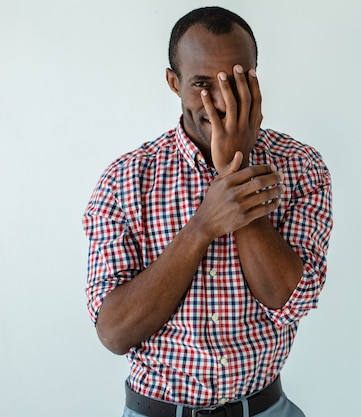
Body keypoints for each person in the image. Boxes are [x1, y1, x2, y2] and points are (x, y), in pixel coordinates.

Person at [82, 6, 333, 417]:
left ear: (254, 77)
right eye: (201, 84)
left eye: (234, 80)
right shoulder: (125, 179)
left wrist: (236, 165)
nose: (218, 101)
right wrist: (202, 226)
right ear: (173, 82)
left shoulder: (301, 165)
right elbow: (114, 332)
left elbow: (290, 300)